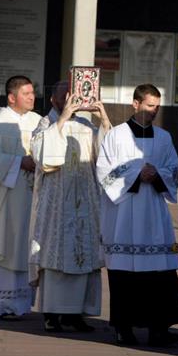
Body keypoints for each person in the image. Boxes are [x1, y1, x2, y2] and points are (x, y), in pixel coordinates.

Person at [96, 84, 178, 347]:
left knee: (159, 273)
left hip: (154, 214)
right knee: (124, 273)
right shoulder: (115, 136)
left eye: (157, 106)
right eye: (149, 105)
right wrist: (137, 174)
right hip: (124, 213)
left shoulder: (164, 137)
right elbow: (104, 171)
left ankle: (159, 329)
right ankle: (124, 329)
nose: (154, 111)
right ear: (135, 104)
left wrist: (157, 174)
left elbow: (173, 168)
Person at [29, 82, 110, 332]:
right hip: (57, 205)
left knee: (84, 255)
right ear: (53, 100)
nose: (71, 100)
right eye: (65, 96)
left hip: (85, 201)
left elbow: (106, 155)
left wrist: (104, 120)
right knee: (55, 255)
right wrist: (61, 120)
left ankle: (75, 314)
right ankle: (52, 313)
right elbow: (41, 156)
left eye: (74, 95)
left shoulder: (87, 126)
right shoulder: (46, 124)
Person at [0, 75, 42, 319]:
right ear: (12, 97)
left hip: (33, 195)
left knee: (28, 243)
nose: (32, 97)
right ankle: (4, 305)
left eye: (33, 92)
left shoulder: (39, 122)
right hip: (5, 196)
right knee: (6, 242)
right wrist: (18, 162)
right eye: (26, 93)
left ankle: (24, 304)